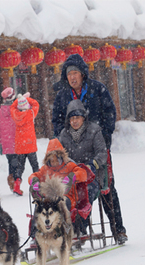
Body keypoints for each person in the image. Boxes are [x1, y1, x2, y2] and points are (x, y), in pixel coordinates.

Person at [52, 53, 127, 244]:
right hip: (73, 154)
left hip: (97, 149)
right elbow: (56, 122)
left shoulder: (97, 89)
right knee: (74, 191)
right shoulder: (62, 95)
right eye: (69, 74)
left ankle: (118, 229)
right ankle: (79, 230)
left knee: (106, 188)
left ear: (83, 74)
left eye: (76, 73)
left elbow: (110, 112)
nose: (72, 77)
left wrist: (104, 136)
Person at [58, 100, 108, 234]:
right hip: (71, 177)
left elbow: (102, 153)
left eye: (77, 118)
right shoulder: (64, 134)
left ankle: (80, 227)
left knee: (84, 193)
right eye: (72, 118)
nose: (74, 121)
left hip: (91, 177)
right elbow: (59, 154)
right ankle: (62, 228)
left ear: (83, 118)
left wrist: (92, 164)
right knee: (59, 196)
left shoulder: (94, 130)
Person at [29, 138, 87, 220]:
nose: (55, 163)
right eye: (52, 160)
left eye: (57, 160)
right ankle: (35, 230)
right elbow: (34, 175)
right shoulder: (45, 169)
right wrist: (34, 180)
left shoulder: (69, 166)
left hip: (67, 198)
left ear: (62, 158)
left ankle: (62, 228)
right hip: (49, 198)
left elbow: (83, 174)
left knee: (60, 206)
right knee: (39, 207)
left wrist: (72, 176)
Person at [9, 92, 40, 196]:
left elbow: (12, 107)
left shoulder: (15, 114)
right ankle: (38, 185)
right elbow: (36, 104)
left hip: (20, 145)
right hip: (30, 144)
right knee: (35, 166)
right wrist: (28, 98)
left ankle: (17, 186)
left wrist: (18, 100)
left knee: (20, 167)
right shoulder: (31, 113)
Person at [0, 87, 19, 192]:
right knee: (17, 163)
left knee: (11, 162)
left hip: (6, 142)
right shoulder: (16, 109)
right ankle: (15, 182)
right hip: (15, 141)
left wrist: (0, 143)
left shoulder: (1, 111)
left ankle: (11, 180)